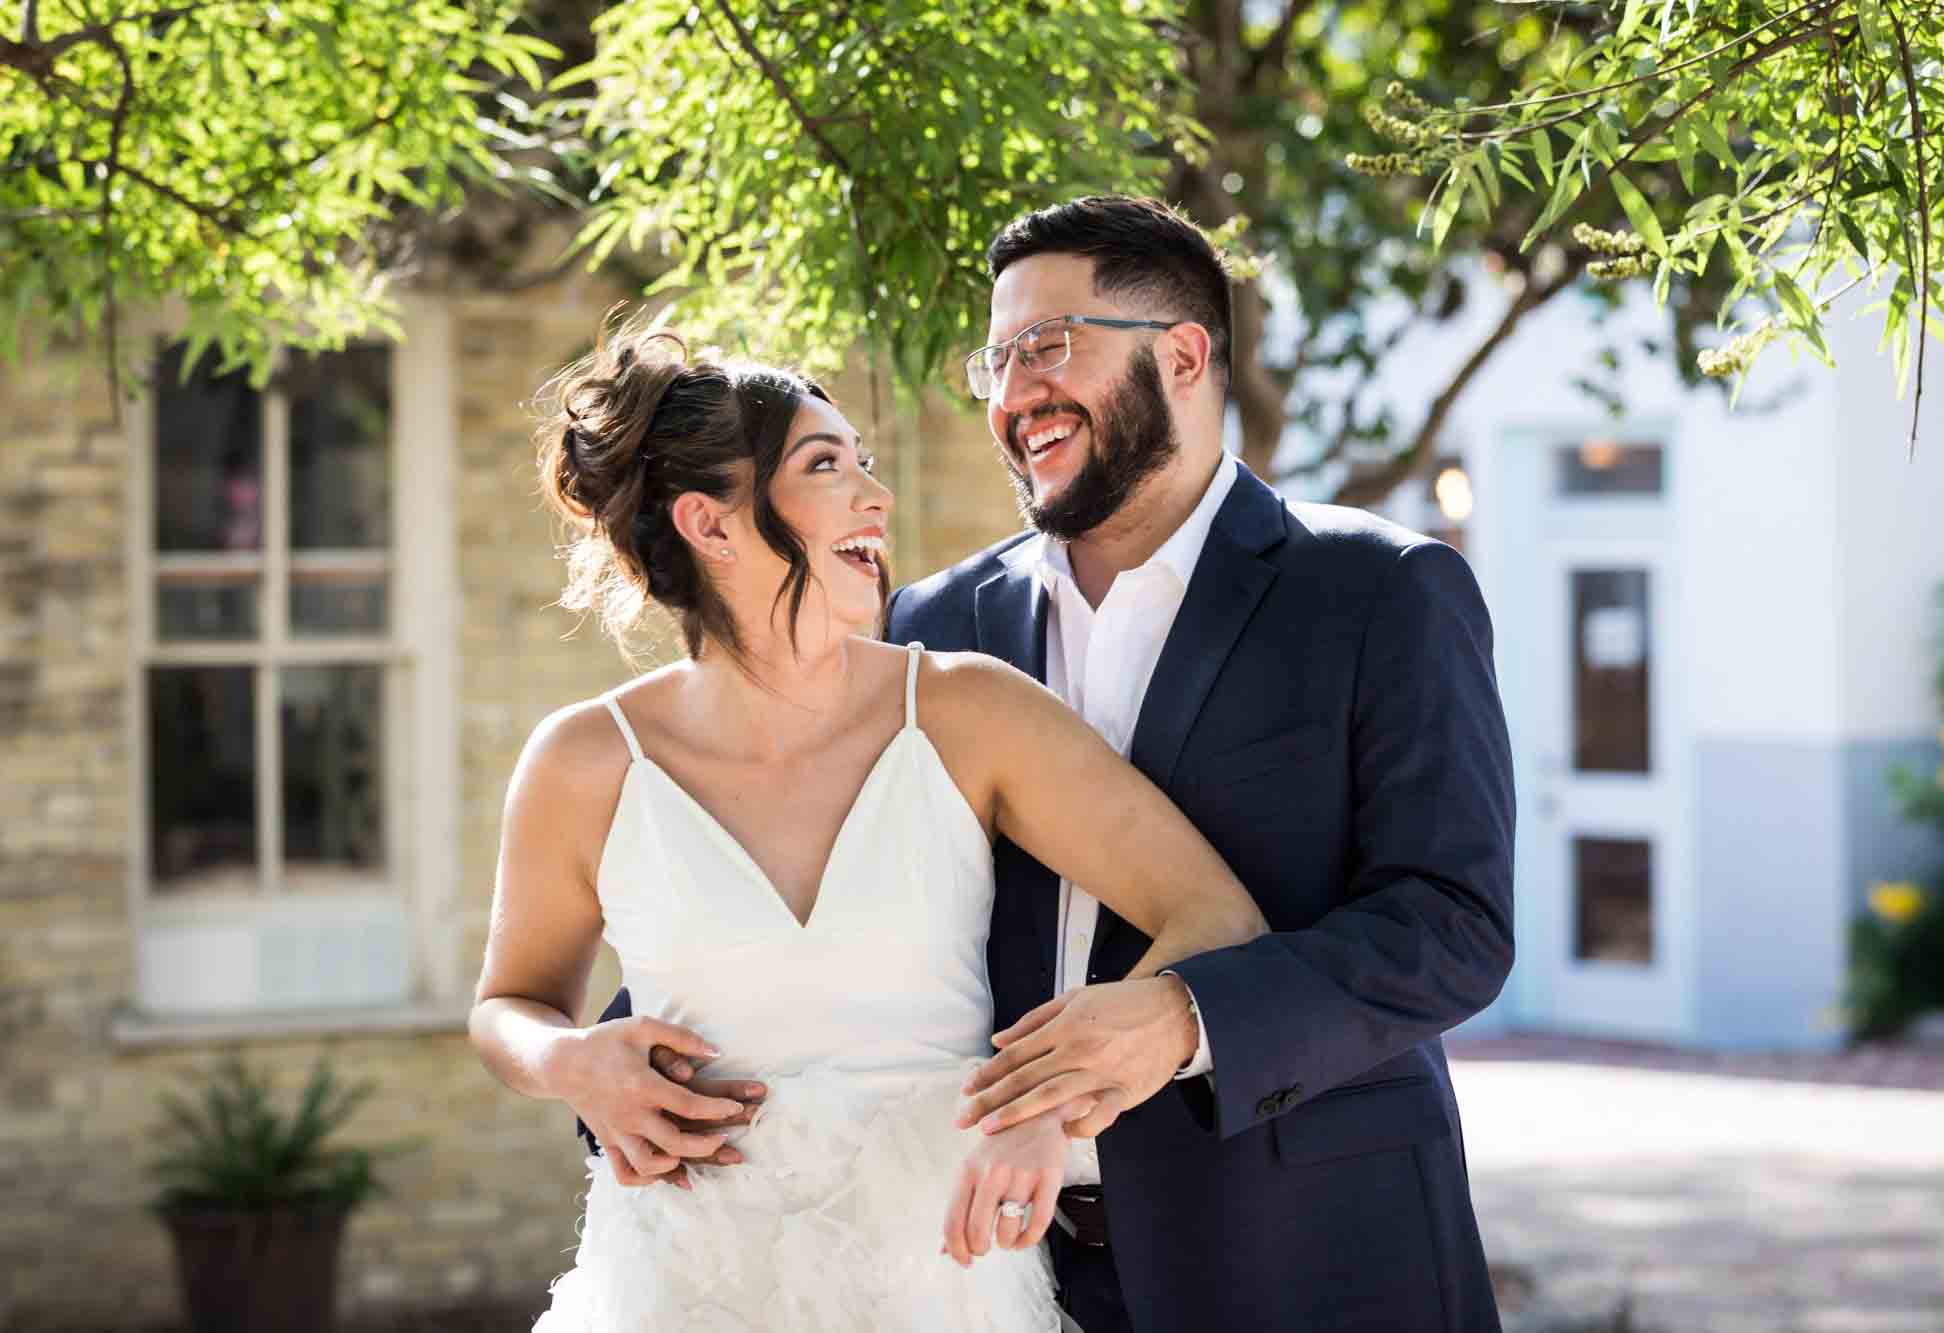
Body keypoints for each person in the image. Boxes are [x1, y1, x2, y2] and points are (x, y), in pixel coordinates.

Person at [594, 195, 1517, 1331]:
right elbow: (819, 873)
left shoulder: (1379, 592)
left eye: (1046, 346)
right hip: (987, 1271)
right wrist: (616, 1067)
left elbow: (1450, 925)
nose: (1011, 393)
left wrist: (1185, 1015)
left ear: (1181, 354)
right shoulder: (935, 622)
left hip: (1306, 1255)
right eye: (995, 359)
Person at [467, 319, 1267, 1332]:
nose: (873, 497)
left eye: (865, 463)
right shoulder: (581, 761)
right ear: (710, 524)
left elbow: (1213, 914)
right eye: (824, 466)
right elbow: (507, 1005)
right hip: (678, 1287)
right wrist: (570, 1062)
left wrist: (1050, 1107)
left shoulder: (966, 711)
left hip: (938, 1280)